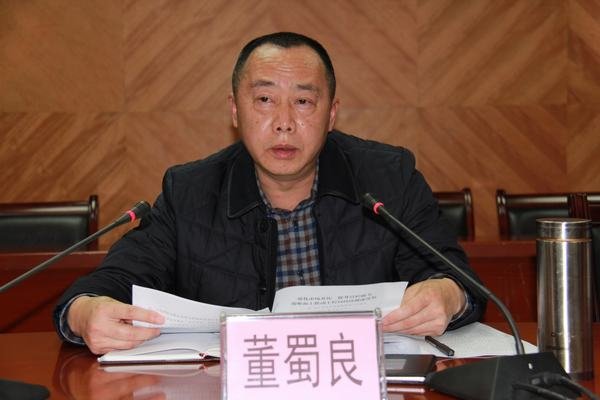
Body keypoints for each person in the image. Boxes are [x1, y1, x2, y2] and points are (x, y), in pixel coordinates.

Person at [54, 32, 486, 355]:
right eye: (264, 99)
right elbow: (110, 284)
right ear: (234, 110)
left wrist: (448, 296)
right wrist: (83, 312)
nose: (283, 122)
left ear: (331, 114)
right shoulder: (190, 192)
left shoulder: (389, 179)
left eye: (303, 102)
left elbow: (456, 281)